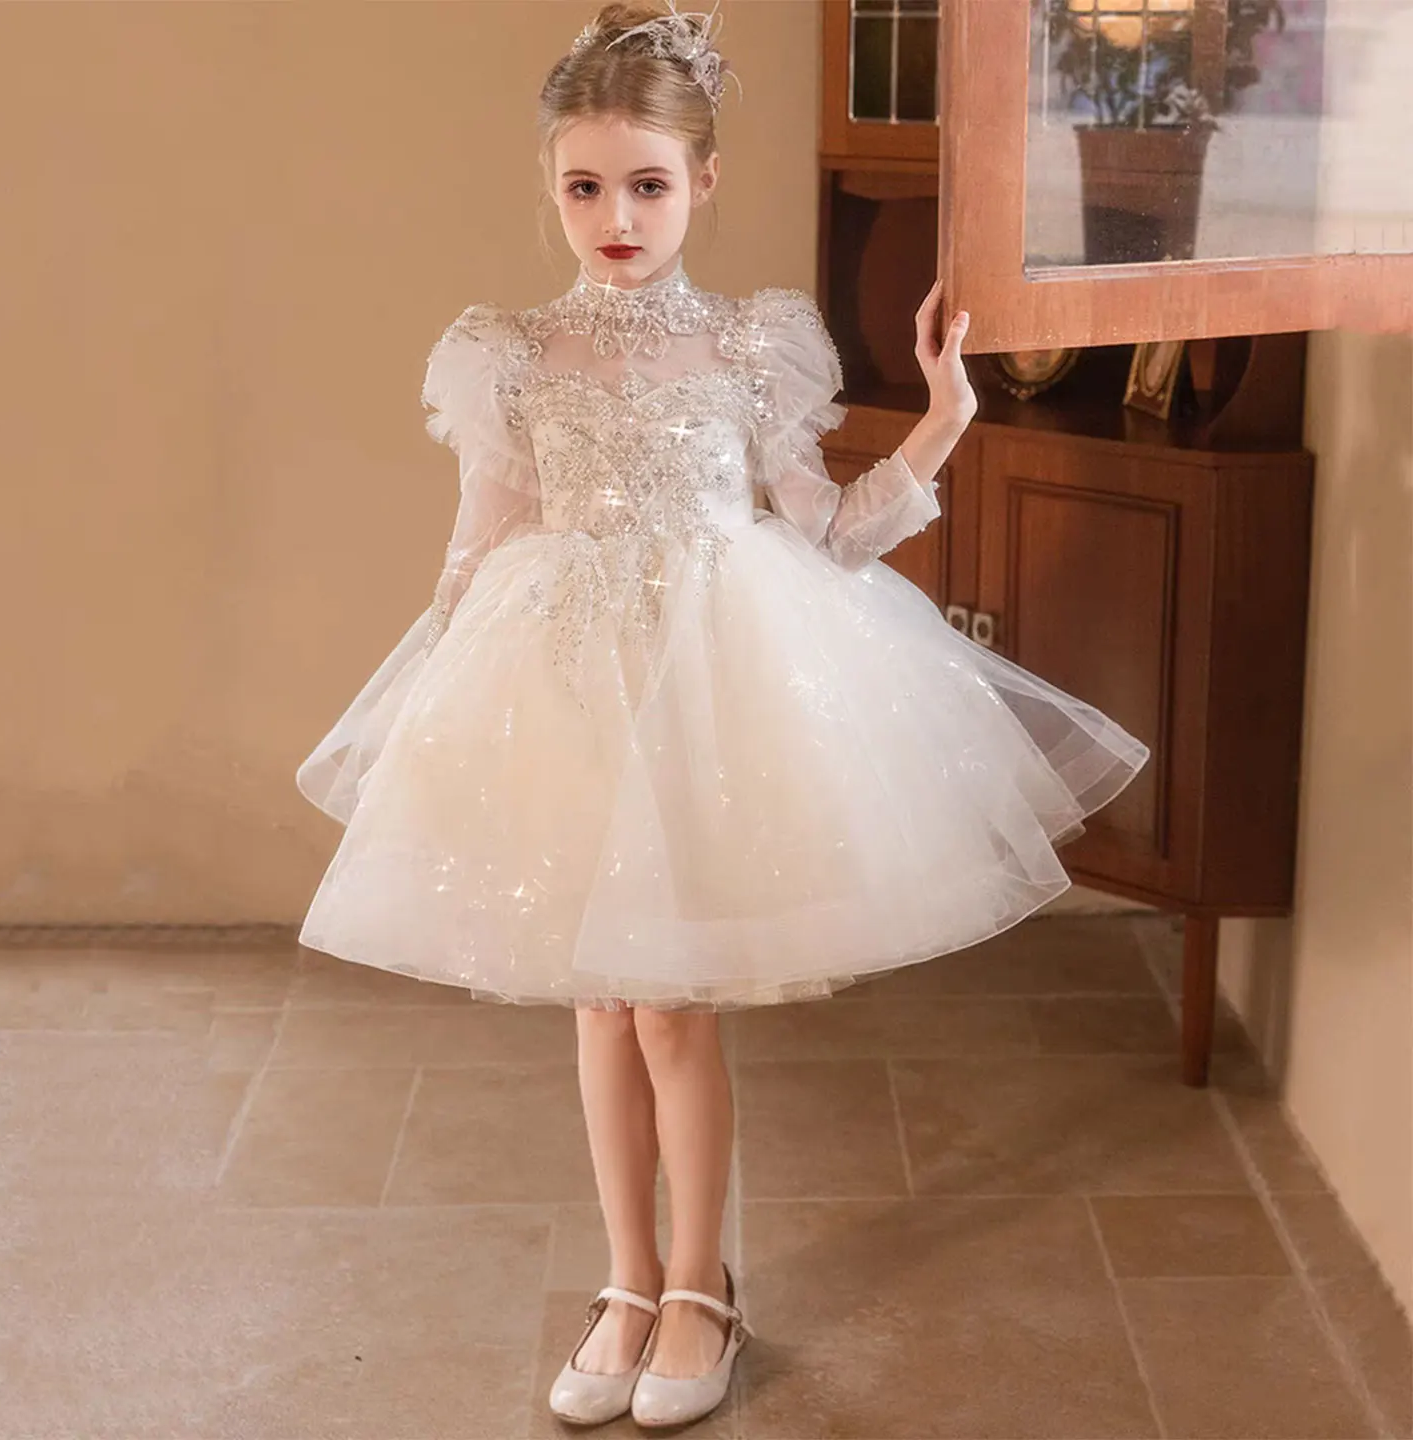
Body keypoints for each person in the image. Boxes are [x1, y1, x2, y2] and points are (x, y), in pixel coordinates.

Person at [294, 0, 1151, 1427]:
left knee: (673, 1009)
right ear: (550, 186)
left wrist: (944, 419)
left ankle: (701, 1287)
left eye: (647, 184)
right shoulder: (512, 352)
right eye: (585, 187)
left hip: (707, 689)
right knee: (600, 1001)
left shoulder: (747, 348)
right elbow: (479, 540)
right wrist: (437, 698)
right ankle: (626, 1282)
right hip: (568, 686)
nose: (617, 219)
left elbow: (825, 534)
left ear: (703, 181)